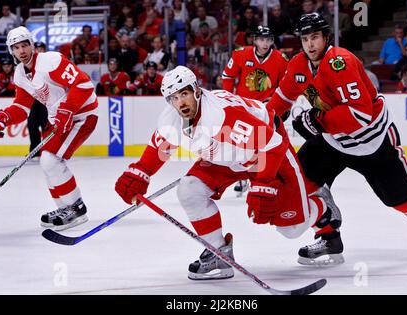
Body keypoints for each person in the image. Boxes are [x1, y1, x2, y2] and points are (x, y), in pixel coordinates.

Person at [114, 65, 343, 279]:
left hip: (265, 153)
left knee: (291, 229)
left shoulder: (220, 117)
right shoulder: (171, 119)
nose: (180, 102)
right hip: (223, 157)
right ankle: (218, 253)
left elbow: (270, 143)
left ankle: (321, 208)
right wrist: (140, 172)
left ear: (196, 91)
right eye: (173, 98)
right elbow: (160, 149)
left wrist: (263, 185)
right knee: (189, 189)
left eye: (184, 94)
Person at [266, 13, 407, 264]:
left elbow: (359, 114)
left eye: (315, 37)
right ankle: (329, 238)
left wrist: (315, 121)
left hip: (371, 142)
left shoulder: (340, 62)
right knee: (297, 184)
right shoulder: (298, 65)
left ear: (326, 37)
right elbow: (281, 98)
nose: (310, 44)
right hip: (332, 142)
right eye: (305, 39)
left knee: (403, 202)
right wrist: (262, 123)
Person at [0, 26, 98, 231]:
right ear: (11, 51)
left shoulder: (50, 61)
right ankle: (65, 207)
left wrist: (68, 109)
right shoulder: (20, 74)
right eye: (16, 47)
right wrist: (5, 117)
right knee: (47, 164)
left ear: (32, 44)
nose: (21, 51)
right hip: (59, 119)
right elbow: (22, 107)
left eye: (24, 45)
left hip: (82, 115)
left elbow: (83, 85)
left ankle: (77, 207)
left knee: (50, 160)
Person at [222, 26, 289, 196]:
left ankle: (264, 176)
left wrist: (279, 103)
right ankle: (243, 178)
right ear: (255, 40)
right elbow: (227, 76)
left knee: (266, 144)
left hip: (266, 109)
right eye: (261, 39)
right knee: (241, 143)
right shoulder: (241, 53)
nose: (265, 43)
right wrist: (228, 98)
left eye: (268, 40)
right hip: (243, 107)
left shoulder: (281, 59)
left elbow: (286, 86)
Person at [27, 42, 49, 158]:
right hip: (33, 99)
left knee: (46, 124)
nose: (40, 51)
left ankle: (48, 151)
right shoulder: (29, 64)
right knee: (31, 124)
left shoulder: (49, 63)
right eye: (38, 49)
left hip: (47, 100)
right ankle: (35, 150)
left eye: (42, 49)